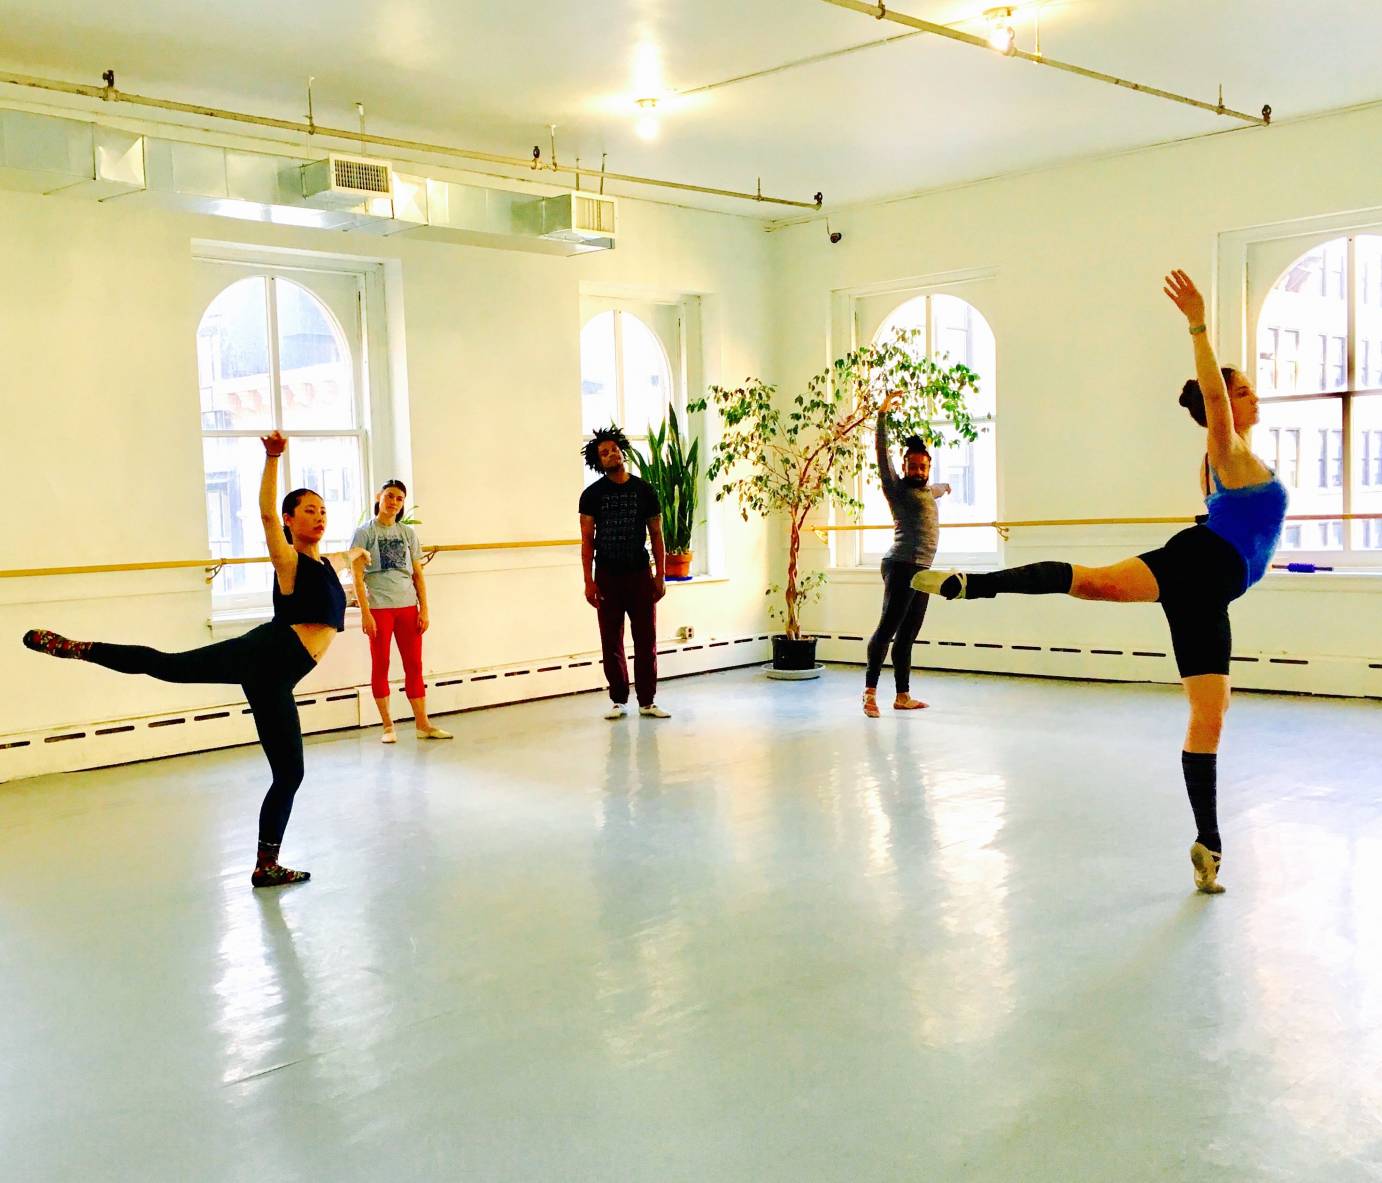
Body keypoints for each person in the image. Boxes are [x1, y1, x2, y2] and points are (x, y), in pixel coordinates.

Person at [912, 271, 1287, 895]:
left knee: (1096, 592)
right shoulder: (1227, 452)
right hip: (1204, 570)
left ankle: (971, 585)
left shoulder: (1225, 460)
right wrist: (1197, 324)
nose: (1252, 397)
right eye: (1243, 391)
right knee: (1208, 716)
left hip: (1195, 571)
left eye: (1246, 390)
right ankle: (1209, 842)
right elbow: (1216, 411)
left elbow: (1225, 468)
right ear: (1222, 406)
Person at [22, 431, 368, 888]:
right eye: (308, 510)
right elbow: (265, 513)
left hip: (278, 679)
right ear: (290, 519)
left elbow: (349, 555)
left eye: (323, 510)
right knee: (168, 665)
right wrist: (272, 458)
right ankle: (76, 648)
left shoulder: (328, 564)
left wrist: (362, 552)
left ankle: (267, 866)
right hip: (265, 654)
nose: (319, 517)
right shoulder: (288, 561)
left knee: (290, 772)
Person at [863, 390, 951, 717]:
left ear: (928, 468)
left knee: (908, 636)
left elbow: (935, 490)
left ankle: (902, 696)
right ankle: (869, 693)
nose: (917, 471)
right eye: (912, 466)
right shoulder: (896, 487)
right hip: (901, 566)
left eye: (922, 467)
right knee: (887, 630)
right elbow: (881, 451)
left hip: (923, 571)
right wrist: (883, 412)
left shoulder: (928, 489)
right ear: (904, 467)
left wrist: (946, 488)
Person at [579, 426, 670, 720]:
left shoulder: (645, 490)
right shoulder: (591, 495)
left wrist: (661, 575)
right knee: (611, 641)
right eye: (603, 453)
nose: (610, 454)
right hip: (607, 576)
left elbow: (657, 535)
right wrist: (589, 581)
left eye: (613, 449)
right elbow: (587, 541)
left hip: (640, 574)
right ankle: (618, 699)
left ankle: (647, 700)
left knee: (646, 640)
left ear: (621, 450)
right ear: (598, 461)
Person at [350, 479, 451, 743]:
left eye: (399, 498)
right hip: (379, 608)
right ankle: (387, 727)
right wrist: (365, 613)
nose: (394, 502)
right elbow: (357, 576)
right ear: (379, 497)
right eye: (390, 496)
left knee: (414, 665)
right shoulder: (364, 533)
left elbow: (417, 574)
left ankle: (422, 724)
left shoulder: (408, 534)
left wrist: (424, 609)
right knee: (381, 664)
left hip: (408, 607)